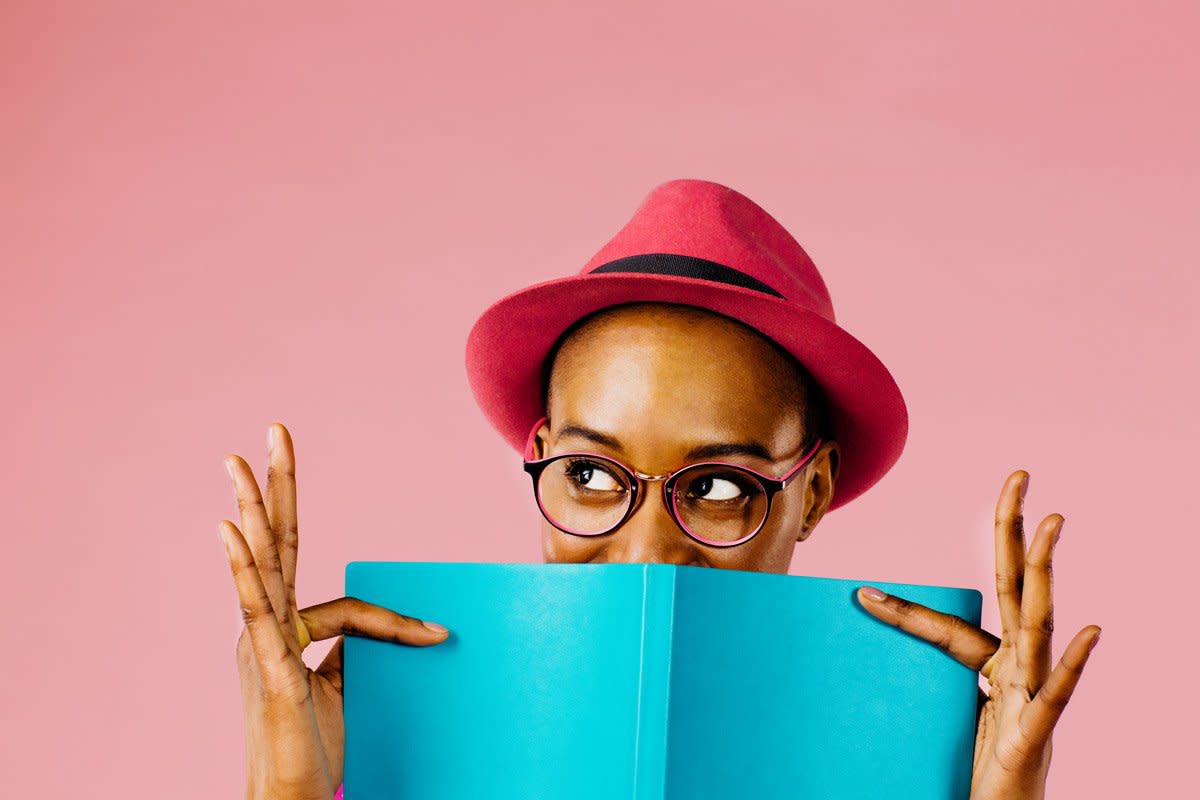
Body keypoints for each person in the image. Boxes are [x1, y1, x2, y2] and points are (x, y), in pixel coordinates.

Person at [218, 179, 1100, 799]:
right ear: (540, 454)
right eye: (592, 475)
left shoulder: (918, 760)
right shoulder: (384, 744)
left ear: (816, 488)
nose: (646, 553)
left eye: (718, 485)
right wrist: (286, 792)